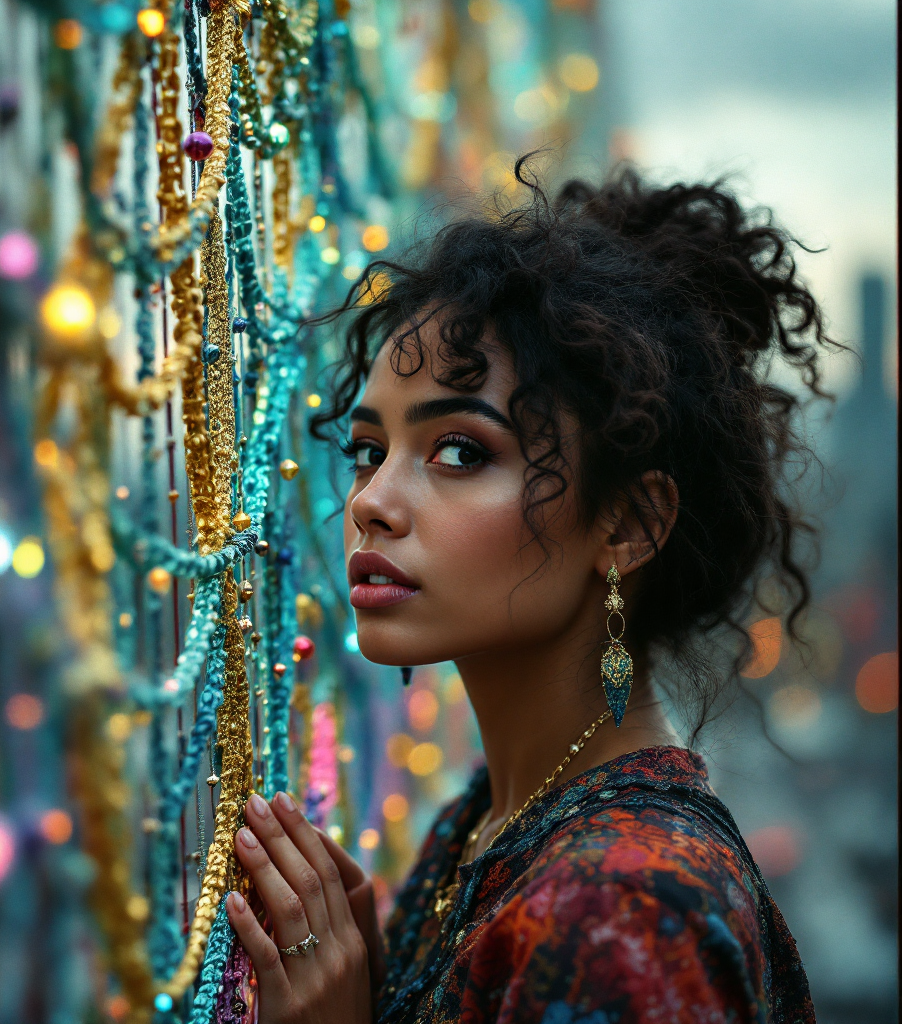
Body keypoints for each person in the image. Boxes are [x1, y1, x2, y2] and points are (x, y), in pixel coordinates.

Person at [222, 160, 832, 1023]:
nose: (372, 502)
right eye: (369, 450)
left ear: (626, 525)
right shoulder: (489, 823)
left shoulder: (624, 909)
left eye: (460, 452)